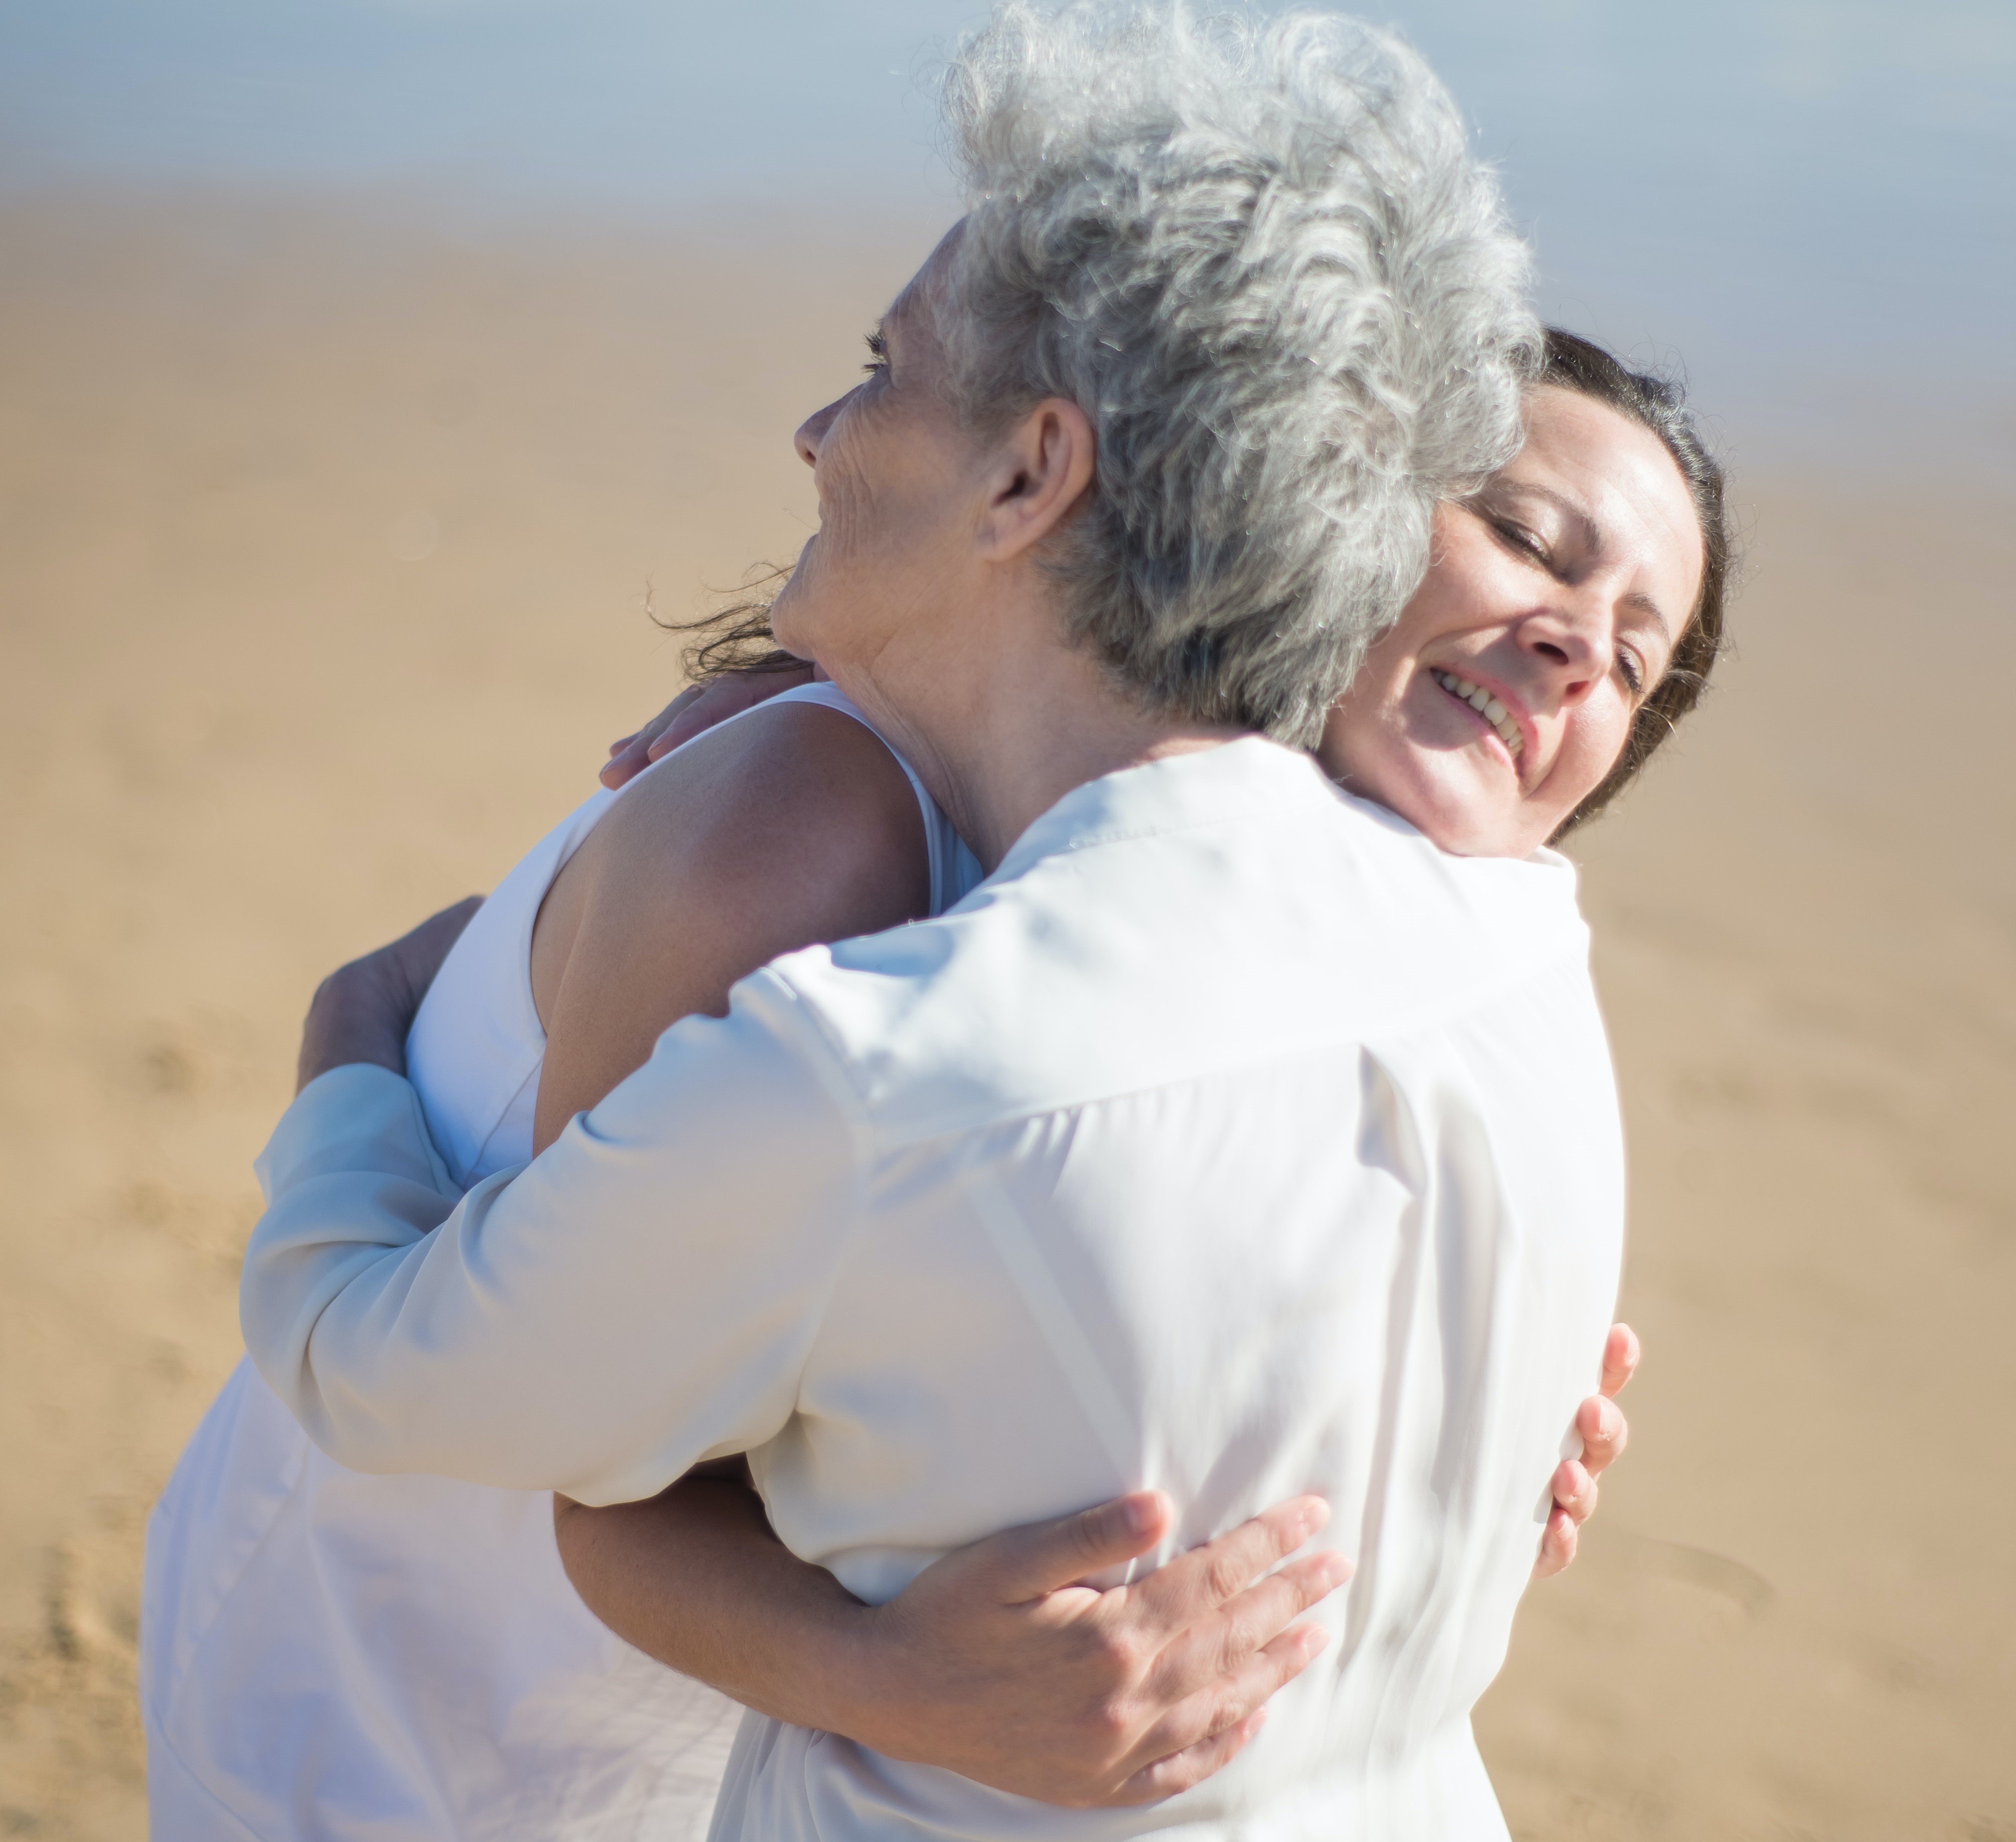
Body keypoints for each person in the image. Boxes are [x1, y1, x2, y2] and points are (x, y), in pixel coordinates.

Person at [213, 7, 1717, 1839]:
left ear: (1033, 474)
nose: (819, 426)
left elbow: (384, 1369)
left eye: (884, 368)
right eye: (1520, 537)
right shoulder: (1528, 972)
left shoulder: (883, 1058)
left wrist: (354, 1033)